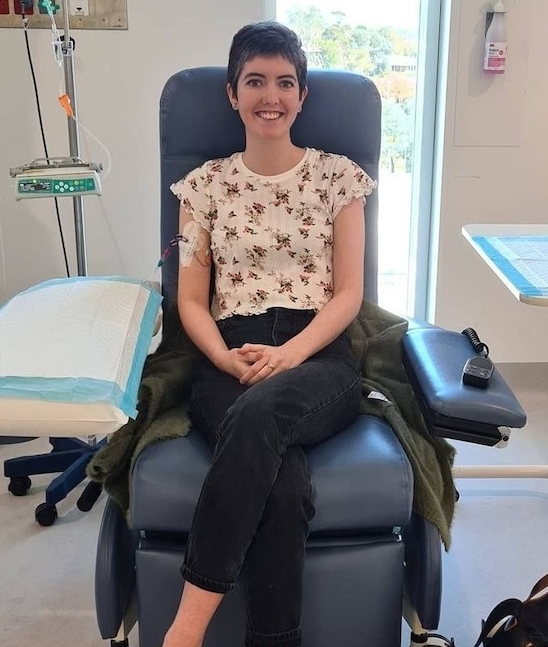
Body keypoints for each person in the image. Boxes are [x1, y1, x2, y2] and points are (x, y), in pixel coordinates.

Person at [165, 20, 376, 647]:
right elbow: (190, 299)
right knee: (283, 489)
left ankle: (184, 631)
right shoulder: (201, 189)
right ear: (232, 93)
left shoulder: (341, 179)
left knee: (263, 414)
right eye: (255, 81)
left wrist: (289, 354)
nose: (270, 96)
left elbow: (349, 294)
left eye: (286, 82)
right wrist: (229, 362)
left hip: (318, 357)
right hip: (229, 353)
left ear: (302, 96)